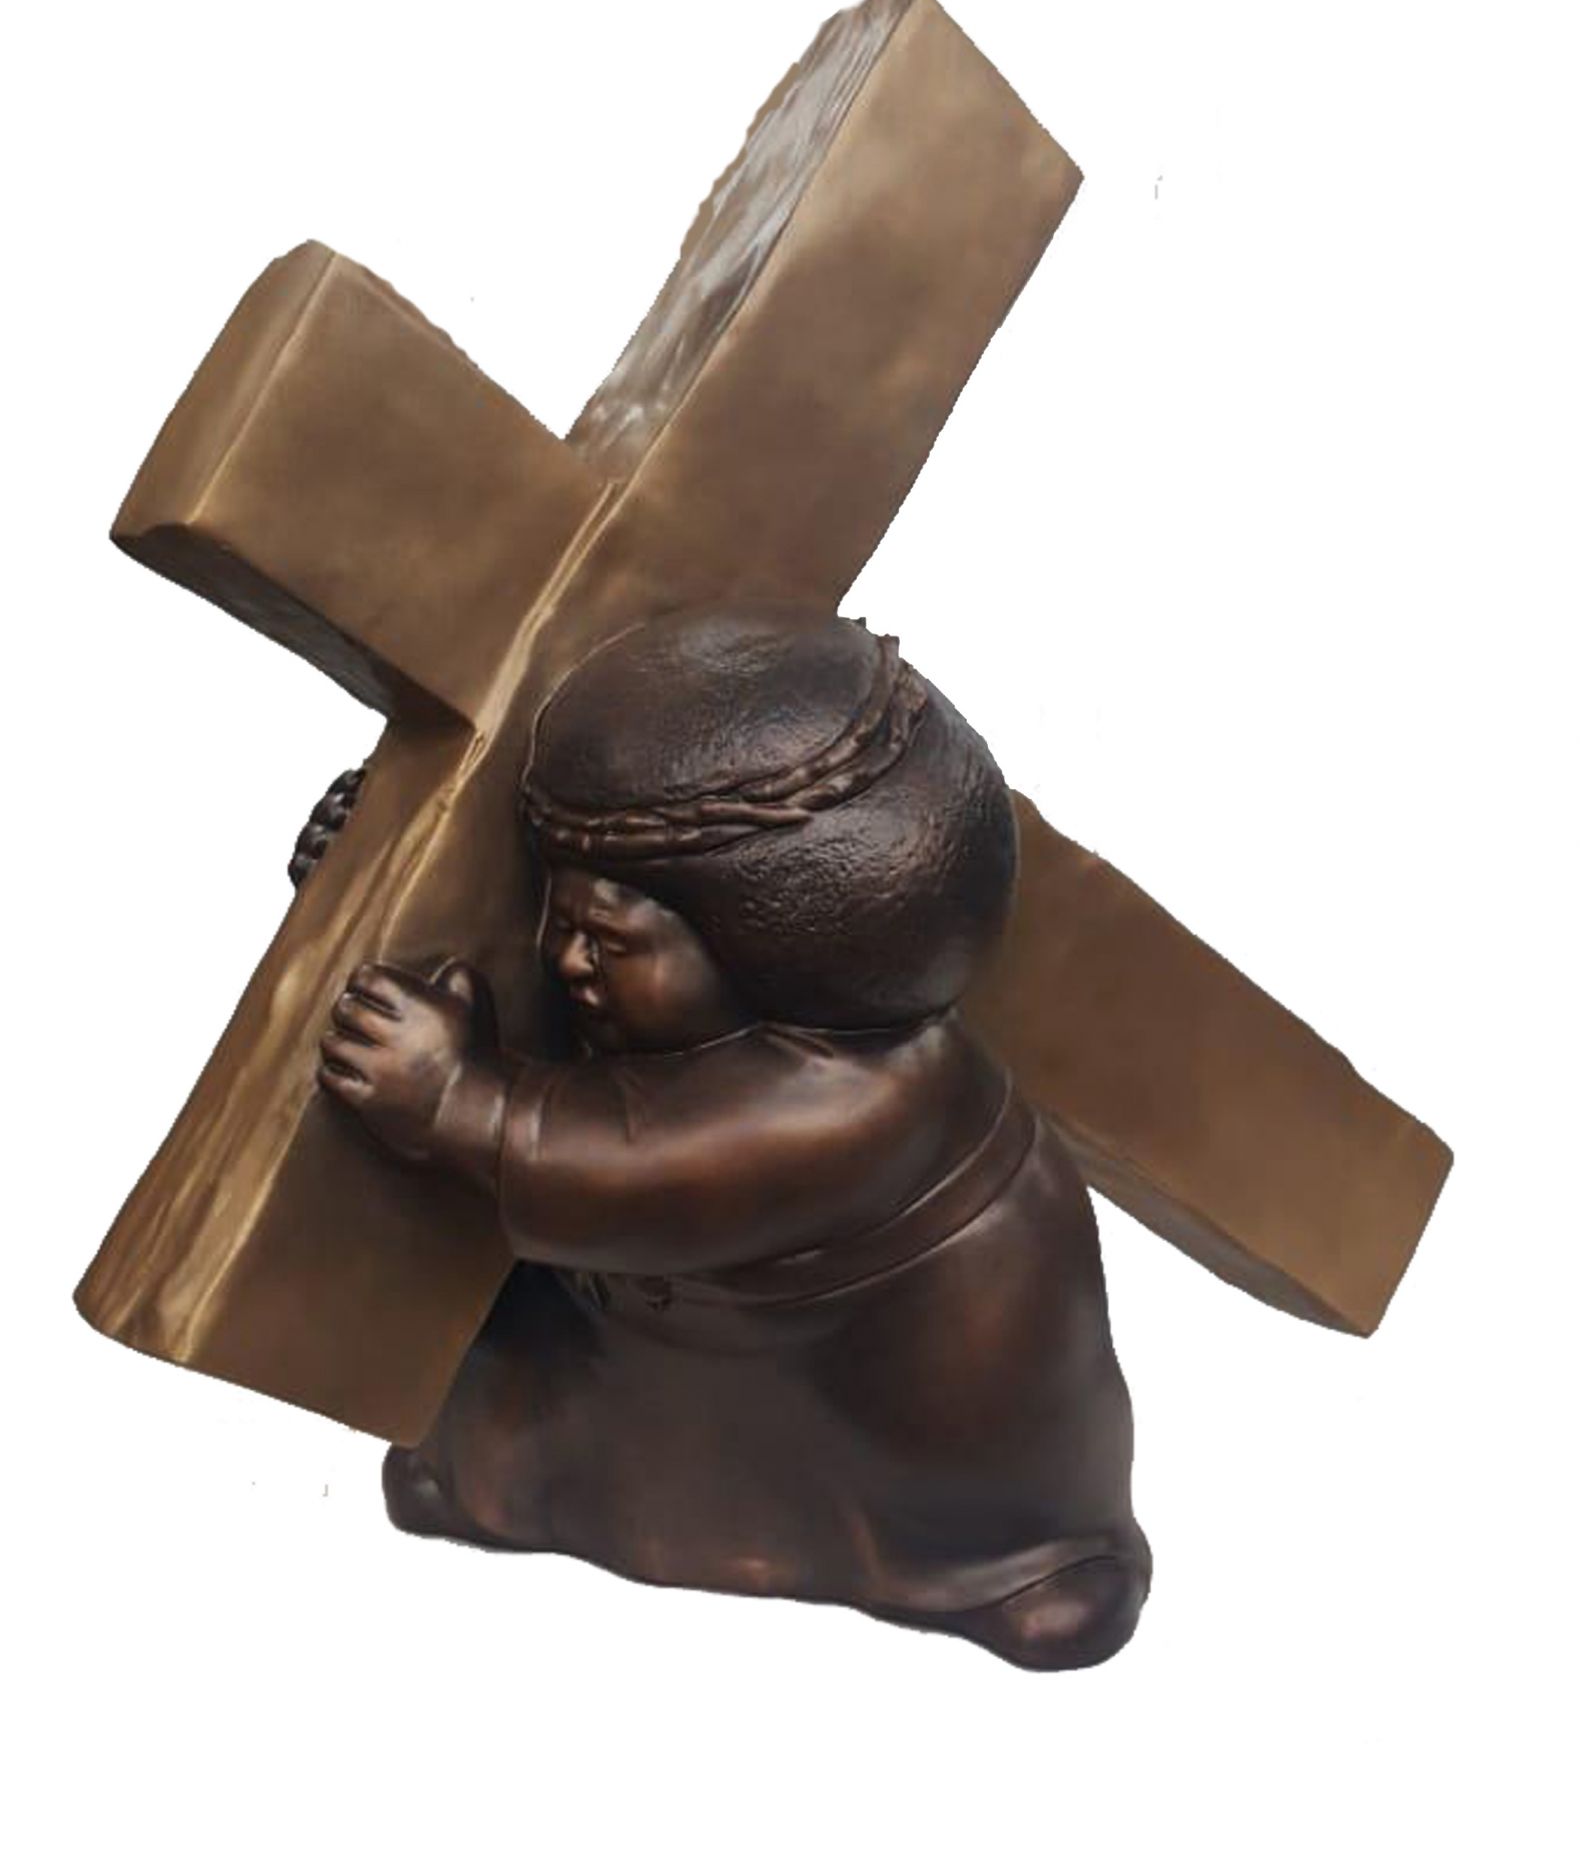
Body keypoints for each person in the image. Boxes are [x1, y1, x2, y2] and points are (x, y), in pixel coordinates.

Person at [314, 607, 1150, 1669]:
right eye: (558, 916)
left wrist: (455, 1101)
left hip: (887, 1407)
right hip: (683, 1347)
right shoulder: (677, 1025)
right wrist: (374, 874)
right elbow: (522, 982)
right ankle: (504, 1482)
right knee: (527, 1418)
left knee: (952, 1522)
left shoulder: (853, 1102)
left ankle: (1037, 1563)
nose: (564, 959)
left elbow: (620, 1170)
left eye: (608, 939)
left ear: (768, 946)